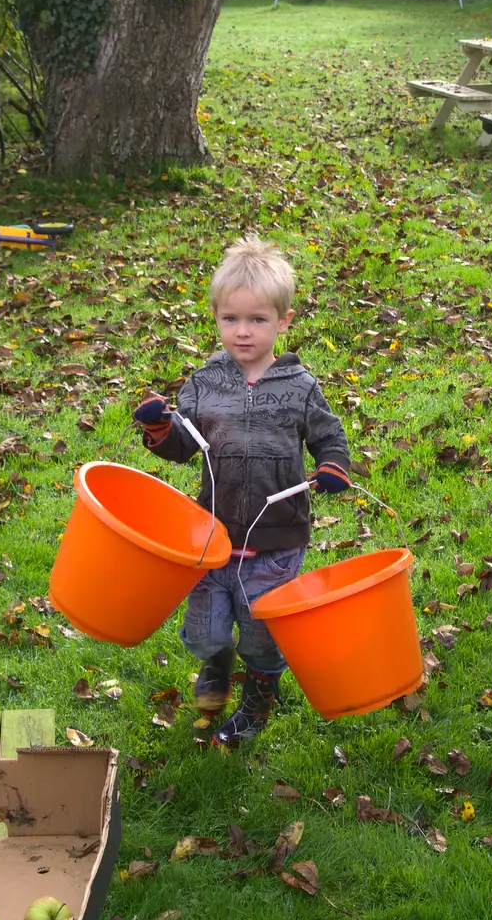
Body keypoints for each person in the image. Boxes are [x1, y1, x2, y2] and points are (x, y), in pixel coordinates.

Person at [133, 237, 352, 746]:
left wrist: (333, 465)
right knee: (205, 629)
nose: (243, 331)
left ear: (284, 320)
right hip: (211, 535)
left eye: (257, 320)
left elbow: (328, 435)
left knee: (261, 632)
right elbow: (183, 444)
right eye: (230, 319)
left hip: (276, 543)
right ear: (215, 317)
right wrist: (161, 430)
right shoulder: (206, 381)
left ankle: (257, 698)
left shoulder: (300, 385)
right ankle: (215, 660)